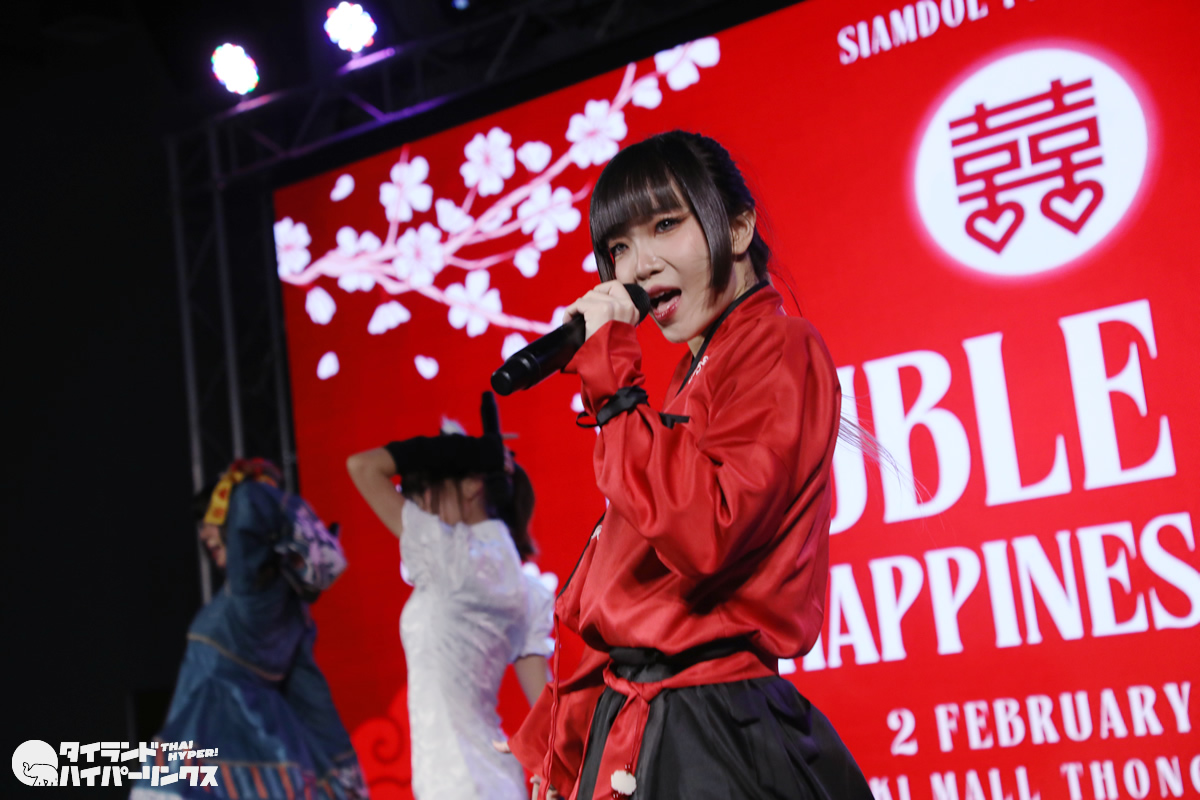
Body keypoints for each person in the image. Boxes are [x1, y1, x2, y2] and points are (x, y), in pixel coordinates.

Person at [505, 131, 873, 800]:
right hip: (649, 722)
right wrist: (561, 742)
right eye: (619, 247)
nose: (638, 265)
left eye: (665, 225)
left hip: (709, 729)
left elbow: (707, 532)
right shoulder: (688, 377)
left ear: (738, 228)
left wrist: (617, 397)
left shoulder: (781, 347)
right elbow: (625, 593)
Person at [346, 404, 555, 800]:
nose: (419, 503)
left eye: (429, 488)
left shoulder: (451, 558)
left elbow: (361, 466)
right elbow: (546, 708)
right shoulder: (521, 583)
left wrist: (463, 452)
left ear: (472, 484)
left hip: (456, 783)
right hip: (490, 780)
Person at [136, 458, 367, 800]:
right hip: (242, 751)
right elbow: (311, 699)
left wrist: (245, 483)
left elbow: (249, 505)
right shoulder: (289, 608)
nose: (204, 533)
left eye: (213, 519)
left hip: (223, 745)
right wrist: (342, 773)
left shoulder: (253, 595)